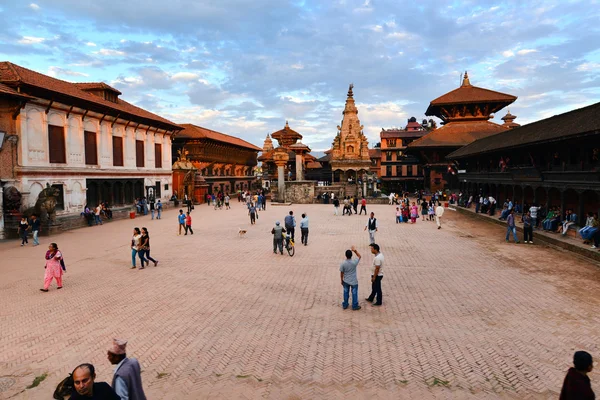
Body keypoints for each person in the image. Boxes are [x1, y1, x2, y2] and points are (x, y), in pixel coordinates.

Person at [340, 245, 362, 310]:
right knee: (354, 293)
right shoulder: (354, 262)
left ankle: (345, 304)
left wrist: (341, 280)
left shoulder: (343, 263)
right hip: (354, 281)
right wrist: (355, 250)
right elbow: (359, 256)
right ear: (351, 255)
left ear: (345, 255)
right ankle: (355, 305)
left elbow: (341, 273)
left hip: (346, 281)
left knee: (345, 292)